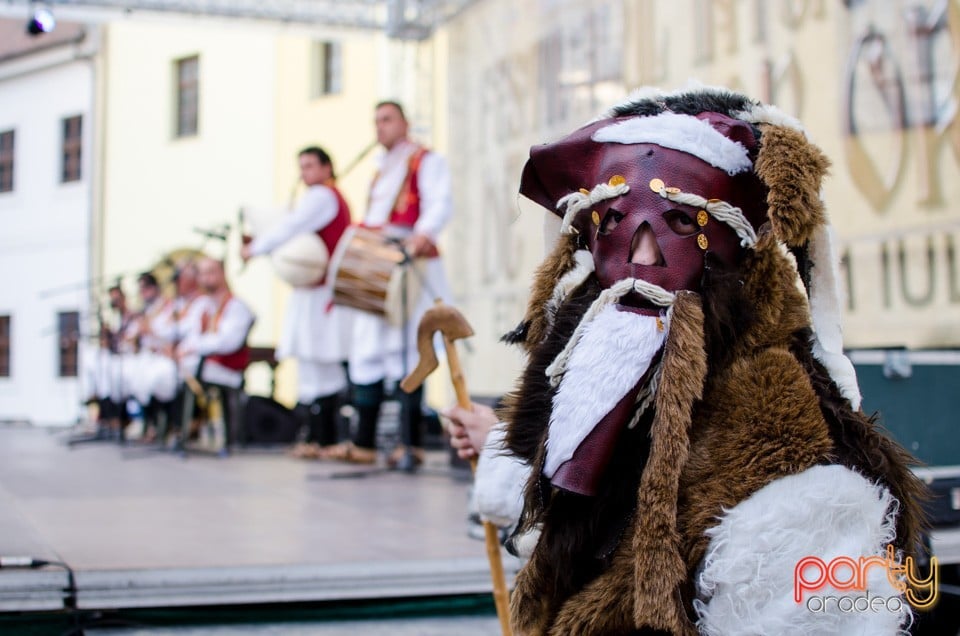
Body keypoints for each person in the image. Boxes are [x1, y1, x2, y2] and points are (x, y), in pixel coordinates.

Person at [467, 86, 928, 635]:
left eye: (681, 224)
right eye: (613, 223)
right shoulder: (623, 398)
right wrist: (498, 444)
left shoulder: (807, 496)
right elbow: (579, 518)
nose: (640, 261)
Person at [326, 100, 454, 470]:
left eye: (386, 119)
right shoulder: (381, 170)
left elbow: (439, 204)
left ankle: (411, 445)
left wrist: (421, 237)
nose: (379, 127)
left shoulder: (425, 160)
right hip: (379, 264)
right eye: (376, 120)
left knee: (411, 352)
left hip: (408, 264)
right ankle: (364, 444)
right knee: (369, 351)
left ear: (404, 123)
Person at [241, 147, 352, 458]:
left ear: (327, 167)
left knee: (322, 363)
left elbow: (291, 226)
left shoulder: (322, 197)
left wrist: (257, 248)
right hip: (312, 293)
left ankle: (326, 438)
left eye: (310, 165)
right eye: (301, 166)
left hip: (322, 292)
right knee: (312, 365)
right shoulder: (319, 196)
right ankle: (315, 438)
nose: (305, 173)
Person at [176, 257, 255, 450]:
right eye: (202, 273)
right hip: (203, 363)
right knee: (173, 369)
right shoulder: (203, 306)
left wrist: (194, 348)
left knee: (185, 369)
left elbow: (228, 342)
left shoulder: (237, 306)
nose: (206, 278)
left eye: (211, 272)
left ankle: (189, 427)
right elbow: (188, 333)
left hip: (225, 368)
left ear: (222, 274)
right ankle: (183, 427)